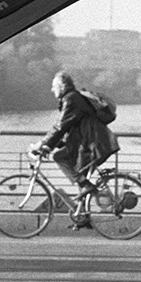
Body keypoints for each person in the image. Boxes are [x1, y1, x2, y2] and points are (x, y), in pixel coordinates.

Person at [30, 72, 118, 205]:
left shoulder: (71, 99)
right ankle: (83, 213)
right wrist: (49, 145)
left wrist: (43, 143)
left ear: (63, 86)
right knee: (80, 177)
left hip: (91, 144)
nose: (52, 89)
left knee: (59, 157)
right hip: (92, 142)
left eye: (54, 86)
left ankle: (94, 195)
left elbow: (61, 126)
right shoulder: (73, 97)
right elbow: (69, 129)